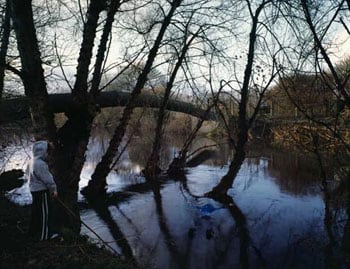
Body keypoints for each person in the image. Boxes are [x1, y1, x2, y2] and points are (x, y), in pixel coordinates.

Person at [27, 140, 58, 241]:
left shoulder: (31, 161)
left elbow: (28, 176)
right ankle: (45, 236)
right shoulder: (40, 164)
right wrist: (54, 190)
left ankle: (32, 233)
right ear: (43, 151)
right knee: (45, 213)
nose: (49, 155)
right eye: (48, 152)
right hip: (41, 192)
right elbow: (49, 180)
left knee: (36, 212)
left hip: (33, 190)